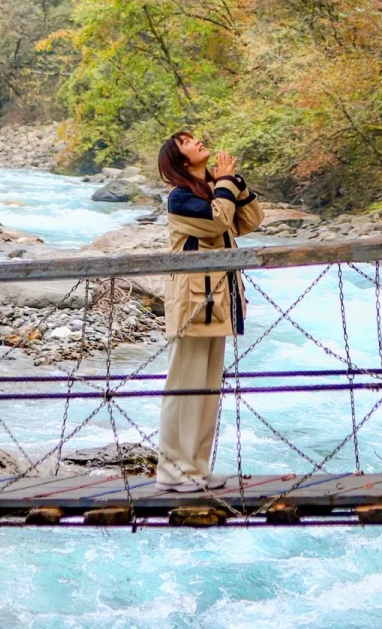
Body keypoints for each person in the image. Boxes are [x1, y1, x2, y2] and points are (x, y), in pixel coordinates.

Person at [155, 129, 264, 492]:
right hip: (191, 303)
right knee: (184, 386)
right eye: (186, 141)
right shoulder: (180, 198)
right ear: (181, 160)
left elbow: (249, 221)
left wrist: (233, 182)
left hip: (216, 301)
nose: (197, 141)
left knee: (206, 389)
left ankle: (197, 468)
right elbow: (218, 221)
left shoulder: (210, 192)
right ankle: (173, 472)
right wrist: (225, 184)